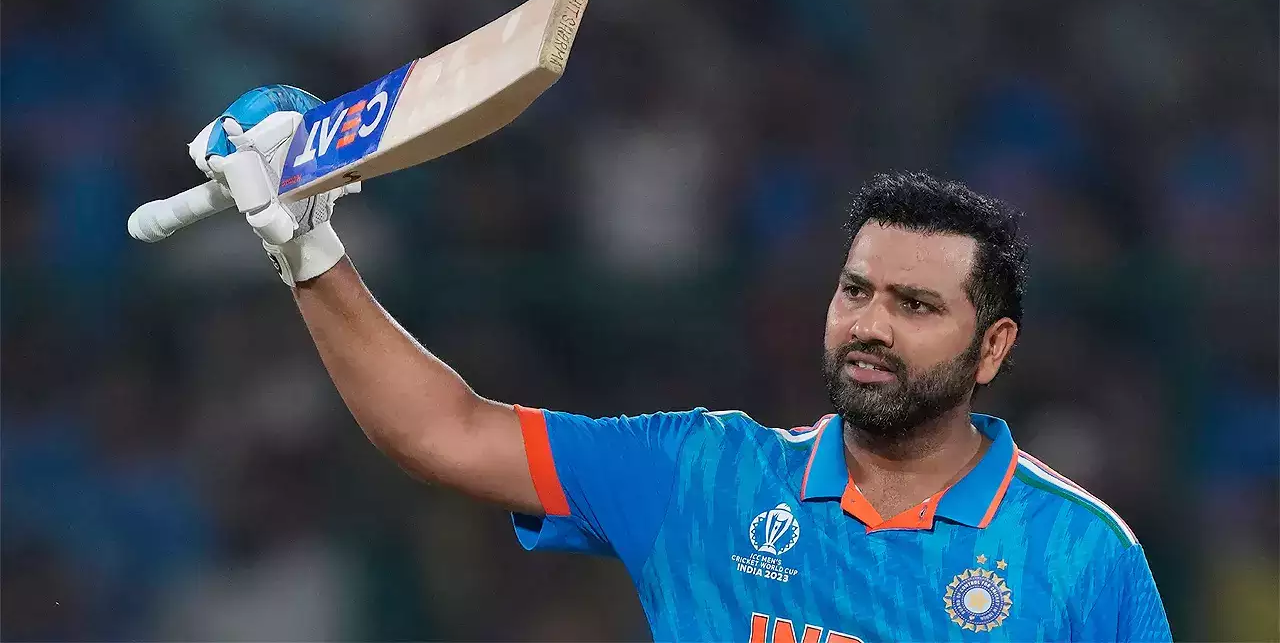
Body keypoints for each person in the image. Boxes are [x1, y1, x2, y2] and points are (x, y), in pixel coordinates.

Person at [191, 86, 1172, 641]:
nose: (870, 325)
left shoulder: (1081, 554)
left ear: (992, 346)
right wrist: (307, 248)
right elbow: (440, 432)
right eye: (855, 291)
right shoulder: (702, 473)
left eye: (915, 306)